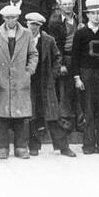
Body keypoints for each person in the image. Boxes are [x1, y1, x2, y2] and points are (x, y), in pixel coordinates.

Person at [0, 3, 38, 159]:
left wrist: (29, 71)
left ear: (18, 17)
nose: (11, 20)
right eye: (8, 17)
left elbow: (33, 54)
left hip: (20, 80)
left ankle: (21, 146)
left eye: (14, 17)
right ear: (3, 18)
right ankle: (2, 146)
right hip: (1, 79)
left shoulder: (27, 34)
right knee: (1, 114)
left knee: (21, 116)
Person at [26, 11, 75, 157]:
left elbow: (57, 58)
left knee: (53, 115)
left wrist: (53, 75)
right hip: (29, 82)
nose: (33, 27)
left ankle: (63, 147)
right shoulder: (22, 38)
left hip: (45, 81)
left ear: (40, 26)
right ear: (26, 24)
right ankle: (34, 146)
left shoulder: (48, 40)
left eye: (36, 25)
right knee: (32, 115)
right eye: (31, 24)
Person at [71, 0, 99, 156]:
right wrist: (77, 77)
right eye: (93, 13)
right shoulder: (80, 33)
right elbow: (74, 57)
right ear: (88, 15)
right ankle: (88, 144)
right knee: (88, 110)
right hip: (86, 73)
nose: (96, 16)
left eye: (98, 13)